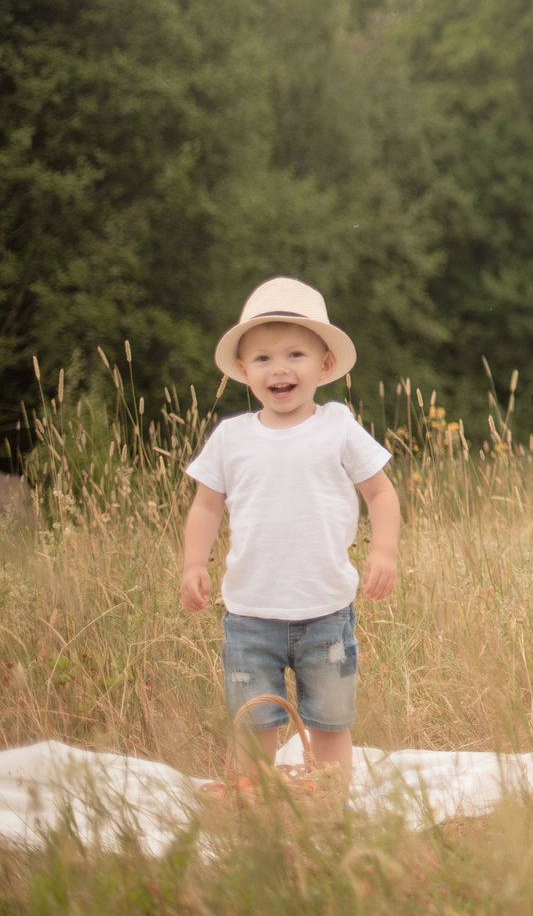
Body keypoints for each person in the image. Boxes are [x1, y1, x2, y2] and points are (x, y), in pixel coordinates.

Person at [179, 277, 403, 770]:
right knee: (253, 726)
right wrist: (195, 562)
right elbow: (206, 506)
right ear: (243, 369)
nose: (279, 369)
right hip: (249, 615)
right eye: (262, 358)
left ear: (325, 364)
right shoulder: (231, 437)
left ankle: (328, 810)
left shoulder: (337, 425)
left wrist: (383, 551)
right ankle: (255, 811)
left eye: (295, 355)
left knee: (330, 723)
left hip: (325, 612)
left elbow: (381, 492)